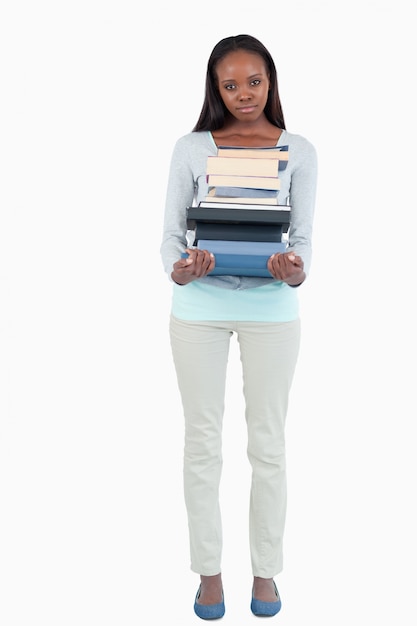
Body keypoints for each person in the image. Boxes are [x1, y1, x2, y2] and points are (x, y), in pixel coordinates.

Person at [160, 34, 317, 619]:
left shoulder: (299, 150)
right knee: (202, 444)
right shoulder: (191, 148)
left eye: (254, 82)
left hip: (272, 311)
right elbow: (172, 235)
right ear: (215, 89)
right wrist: (180, 271)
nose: (244, 94)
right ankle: (209, 574)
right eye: (231, 85)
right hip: (197, 309)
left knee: (268, 447)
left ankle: (266, 574)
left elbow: (301, 242)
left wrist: (292, 271)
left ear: (270, 82)